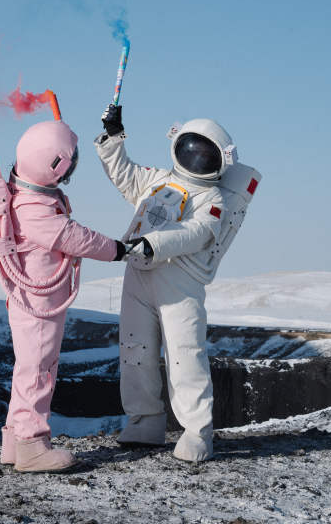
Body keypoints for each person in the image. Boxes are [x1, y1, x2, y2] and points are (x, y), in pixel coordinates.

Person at [95, 104, 260, 462]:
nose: (197, 156)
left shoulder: (213, 200)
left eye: (205, 152)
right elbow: (123, 173)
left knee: (185, 356)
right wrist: (112, 138)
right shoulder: (156, 180)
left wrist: (154, 243)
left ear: (220, 161)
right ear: (178, 144)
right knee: (135, 350)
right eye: (192, 147)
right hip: (139, 272)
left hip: (179, 283)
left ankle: (197, 432)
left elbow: (197, 232)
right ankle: (145, 421)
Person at [1, 118, 127, 473]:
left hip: (31, 297)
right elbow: (76, 237)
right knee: (39, 369)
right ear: (53, 166)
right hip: (39, 302)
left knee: (30, 366)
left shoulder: (22, 194)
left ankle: (15, 442)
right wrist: (118, 250)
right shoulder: (35, 211)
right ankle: (31, 446)